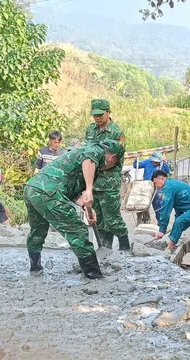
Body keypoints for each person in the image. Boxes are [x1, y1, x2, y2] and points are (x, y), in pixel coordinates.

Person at [23, 139, 125, 279]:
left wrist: (85, 205)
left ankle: (35, 269)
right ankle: (93, 275)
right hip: (49, 192)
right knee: (77, 230)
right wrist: (89, 189)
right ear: (113, 158)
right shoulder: (96, 150)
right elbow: (89, 160)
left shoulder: (82, 153)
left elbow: (71, 191)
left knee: (38, 231)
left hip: (32, 188)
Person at [85, 98, 129, 251]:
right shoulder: (90, 130)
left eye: (101, 114)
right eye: (95, 115)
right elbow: (86, 153)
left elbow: (112, 160)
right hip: (93, 182)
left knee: (113, 219)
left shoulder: (117, 133)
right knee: (100, 221)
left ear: (109, 112)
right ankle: (106, 250)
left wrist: (92, 165)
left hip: (108, 183)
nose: (97, 118)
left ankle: (125, 249)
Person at [152, 170, 190, 255]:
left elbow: (165, 209)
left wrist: (162, 230)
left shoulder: (168, 187)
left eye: (156, 183)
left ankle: (168, 249)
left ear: (161, 179)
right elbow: (179, 207)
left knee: (179, 222)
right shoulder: (173, 183)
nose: (156, 187)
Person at [132, 151, 170, 223]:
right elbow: (136, 166)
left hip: (157, 187)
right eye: (154, 161)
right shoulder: (147, 162)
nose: (155, 163)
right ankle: (146, 220)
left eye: (157, 162)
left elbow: (167, 171)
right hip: (146, 186)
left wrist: (165, 163)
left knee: (158, 205)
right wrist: (136, 160)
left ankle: (160, 221)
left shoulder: (162, 165)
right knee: (144, 205)